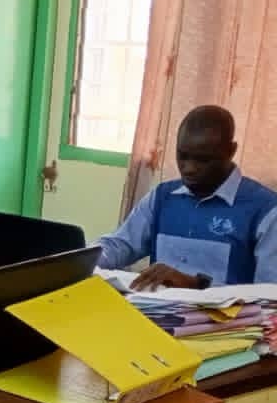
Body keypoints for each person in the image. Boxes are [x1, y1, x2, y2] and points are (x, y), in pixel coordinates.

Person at [98, 105, 277, 291]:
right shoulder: (161, 198)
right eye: (182, 156)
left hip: (224, 311)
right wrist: (85, 259)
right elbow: (120, 245)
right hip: (153, 307)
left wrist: (197, 285)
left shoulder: (266, 211)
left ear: (231, 151)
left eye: (203, 159)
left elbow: (269, 296)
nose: (189, 168)